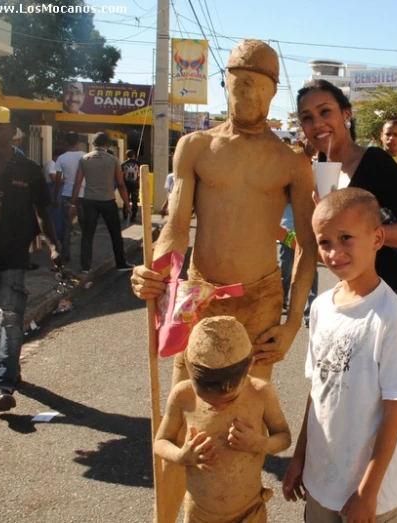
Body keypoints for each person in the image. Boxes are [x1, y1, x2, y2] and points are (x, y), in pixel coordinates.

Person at [130, 40, 316, 523]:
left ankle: (240, 513)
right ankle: (170, 517)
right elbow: (175, 223)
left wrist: (294, 321)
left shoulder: (291, 161)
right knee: (185, 418)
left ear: (275, 92)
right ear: (225, 81)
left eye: (259, 84)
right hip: (199, 295)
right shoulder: (195, 146)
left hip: (259, 299)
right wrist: (155, 272)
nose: (247, 92)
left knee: (241, 420)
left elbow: (308, 247)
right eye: (239, 80)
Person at [283, 188, 397, 523]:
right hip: (320, 485)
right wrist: (300, 457)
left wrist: (368, 492)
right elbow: (317, 392)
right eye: (325, 242)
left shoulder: (391, 318)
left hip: (372, 497)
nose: (334, 252)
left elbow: (395, 410)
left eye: (346, 238)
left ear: (377, 238)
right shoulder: (319, 309)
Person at [297, 79, 397, 330]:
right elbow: (324, 252)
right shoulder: (315, 174)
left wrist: (362, 233)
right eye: (307, 117)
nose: (317, 123)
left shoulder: (376, 162)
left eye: (325, 111)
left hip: (393, 301)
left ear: (346, 114)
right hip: (352, 302)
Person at [155, 316, 291, 523]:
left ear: (249, 367)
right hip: (200, 514)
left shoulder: (261, 393)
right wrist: (182, 456)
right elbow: (160, 442)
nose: (219, 406)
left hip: (249, 512)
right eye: (207, 398)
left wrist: (260, 443)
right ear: (189, 370)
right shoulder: (183, 395)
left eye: (230, 398)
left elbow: (284, 437)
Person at [0, 106, 62, 412]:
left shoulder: (27, 170)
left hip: (13, 255)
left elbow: (42, 211)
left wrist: (53, 245)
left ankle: (1, 384)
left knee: (11, 319)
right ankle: (10, 369)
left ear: (11, 131)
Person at [69, 132, 134, 273]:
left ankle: (85, 267)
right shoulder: (113, 160)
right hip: (108, 200)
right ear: (107, 144)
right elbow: (121, 184)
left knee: (87, 234)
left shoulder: (84, 159)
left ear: (93, 144)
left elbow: (78, 183)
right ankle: (121, 263)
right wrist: (127, 204)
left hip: (89, 201)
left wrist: (73, 203)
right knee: (115, 233)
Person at [55, 132, 86, 263]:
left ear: (66, 143)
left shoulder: (61, 158)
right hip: (84, 195)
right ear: (78, 142)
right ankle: (85, 256)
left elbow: (57, 180)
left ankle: (65, 254)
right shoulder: (85, 156)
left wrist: (54, 196)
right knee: (86, 227)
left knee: (67, 226)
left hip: (67, 195)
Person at [46, 147, 64, 241]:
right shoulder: (51, 164)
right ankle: (56, 234)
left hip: (55, 190)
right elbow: (53, 178)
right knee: (55, 213)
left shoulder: (56, 165)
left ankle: (59, 233)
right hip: (52, 190)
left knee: (58, 213)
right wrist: (65, 180)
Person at [121, 149, 140, 223]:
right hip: (135, 184)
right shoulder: (138, 163)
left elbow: (122, 174)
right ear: (134, 155)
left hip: (126, 185)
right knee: (135, 201)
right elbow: (139, 173)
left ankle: (125, 216)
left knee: (126, 200)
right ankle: (133, 217)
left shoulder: (123, 164)